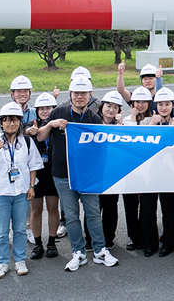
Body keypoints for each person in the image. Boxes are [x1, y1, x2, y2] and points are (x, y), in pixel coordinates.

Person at [37, 76, 118, 272]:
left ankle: (99, 250)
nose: (79, 97)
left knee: (92, 213)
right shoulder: (58, 112)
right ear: (70, 95)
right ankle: (78, 252)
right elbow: (40, 136)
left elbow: (101, 149)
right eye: (76, 93)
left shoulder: (93, 118)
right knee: (72, 215)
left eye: (83, 93)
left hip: (87, 174)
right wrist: (50, 124)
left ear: (90, 96)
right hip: (62, 173)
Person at [0, 102, 43, 279]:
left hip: (21, 192)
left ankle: (20, 260)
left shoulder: (27, 142)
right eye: (7, 121)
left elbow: (33, 165)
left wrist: (31, 186)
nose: (11, 124)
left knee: (20, 229)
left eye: (15, 120)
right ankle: (2, 263)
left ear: (20, 122)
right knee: (1, 232)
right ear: (1, 123)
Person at [140, 88, 174, 257]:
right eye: (161, 104)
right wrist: (152, 124)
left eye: (167, 104)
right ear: (155, 105)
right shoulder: (146, 122)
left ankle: (169, 243)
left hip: (169, 173)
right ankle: (149, 243)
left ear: (172, 106)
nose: (164, 107)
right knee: (147, 208)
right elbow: (141, 144)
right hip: (148, 172)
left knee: (169, 208)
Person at [83, 91, 125, 251]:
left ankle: (108, 238)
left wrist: (120, 126)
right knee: (92, 207)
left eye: (115, 107)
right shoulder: (91, 122)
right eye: (108, 105)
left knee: (110, 207)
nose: (111, 109)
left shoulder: (120, 126)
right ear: (102, 106)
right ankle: (90, 238)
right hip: (93, 173)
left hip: (112, 173)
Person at [25, 93, 61, 260]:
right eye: (42, 109)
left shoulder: (59, 126)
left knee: (53, 208)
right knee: (36, 210)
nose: (45, 111)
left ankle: (52, 242)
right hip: (35, 174)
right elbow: (23, 131)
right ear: (37, 110)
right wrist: (29, 132)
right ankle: (38, 243)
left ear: (54, 109)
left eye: (49, 108)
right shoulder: (31, 126)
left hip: (53, 172)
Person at [121, 87, 153, 252]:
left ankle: (147, 239)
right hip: (129, 172)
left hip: (148, 172)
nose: (140, 105)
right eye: (137, 102)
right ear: (132, 103)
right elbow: (130, 140)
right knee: (130, 206)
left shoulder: (152, 120)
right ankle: (133, 237)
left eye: (143, 102)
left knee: (147, 208)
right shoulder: (126, 120)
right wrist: (133, 117)